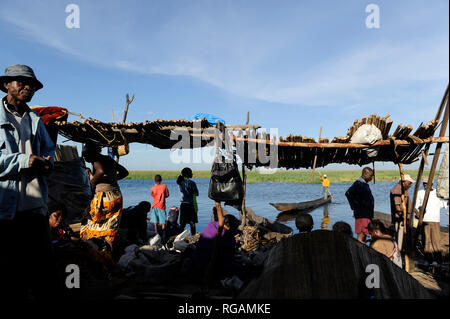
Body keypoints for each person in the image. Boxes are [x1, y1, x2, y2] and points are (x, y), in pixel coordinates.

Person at [0, 64, 61, 300]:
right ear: (6, 85)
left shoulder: (34, 119)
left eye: (32, 85)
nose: (29, 87)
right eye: (22, 82)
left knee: (45, 277)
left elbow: (48, 151)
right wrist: (25, 160)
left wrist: (47, 164)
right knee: (10, 277)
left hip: (35, 210)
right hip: (5, 213)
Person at [81, 142, 129, 251]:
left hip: (104, 198)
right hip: (116, 196)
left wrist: (92, 183)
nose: (85, 157)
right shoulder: (108, 159)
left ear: (92, 152)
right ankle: (109, 258)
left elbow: (101, 171)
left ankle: (94, 254)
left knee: (89, 223)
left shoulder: (96, 159)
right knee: (110, 229)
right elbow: (124, 172)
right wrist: (112, 179)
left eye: (86, 154)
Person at [191, 214, 240, 282]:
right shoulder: (225, 234)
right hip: (207, 267)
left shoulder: (212, 224)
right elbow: (229, 251)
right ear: (230, 226)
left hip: (196, 263)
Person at [415, 179, 448, 265]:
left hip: (435, 220)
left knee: (436, 241)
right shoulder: (420, 193)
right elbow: (415, 206)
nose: (425, 185)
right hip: (425, 220)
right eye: (424, 183)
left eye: (427, 183)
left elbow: (442, 205)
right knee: (426, 241)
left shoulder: (437, 193)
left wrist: (447, 203)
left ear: (432, 184)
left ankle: (438, 260)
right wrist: (418, 213)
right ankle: (429, 259)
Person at [345, 167, 374, 243]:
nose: (371, 178)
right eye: (371, 175)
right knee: (362, 234)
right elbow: (348, 193)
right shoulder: (358, 184)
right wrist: (354, 206)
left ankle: (361, 250)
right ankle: (360, 252)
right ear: (365, 174)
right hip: (362, 214)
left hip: (364, 213)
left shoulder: (363, 184)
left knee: (363, 234)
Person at [390, 174, 414, 251]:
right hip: (400, 219)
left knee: (402, 237)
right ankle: (399, 251)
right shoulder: (397, 190)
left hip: (403, 217)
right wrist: (403, 217)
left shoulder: (403, 190)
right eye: (409, 183)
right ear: (404, 182)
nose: (410, 185)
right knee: (399, 237)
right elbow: (397, 207)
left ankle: (401, 250)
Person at [177, 167, 199, 235]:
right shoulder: (192, 183)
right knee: (192, 223)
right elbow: (197, 193)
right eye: (191, 172)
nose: (192, 174)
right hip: (191, 205)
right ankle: (193, 237)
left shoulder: (180, 182)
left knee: (182, 224)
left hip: (183, 205)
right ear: (188, 174)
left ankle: (178, 238)